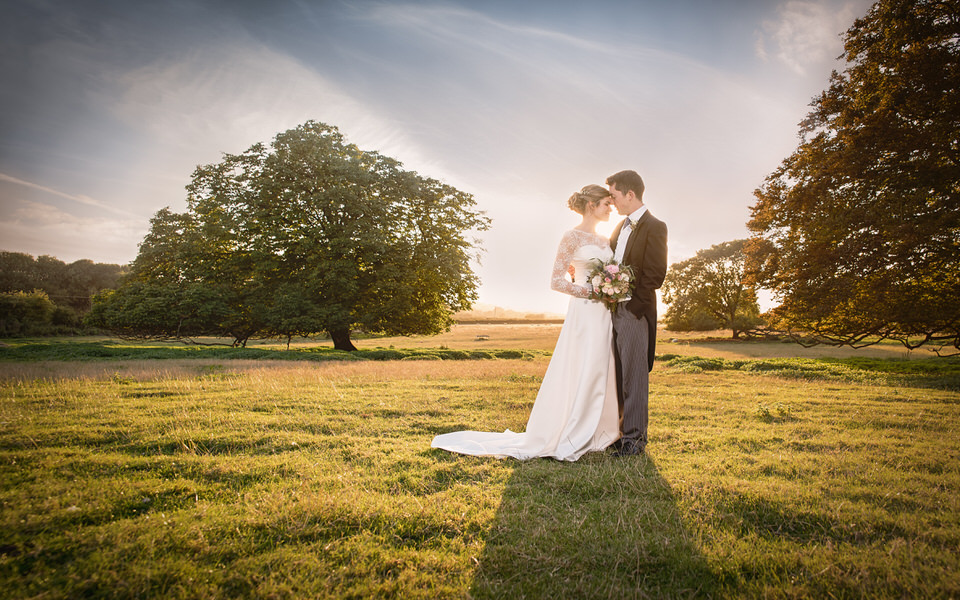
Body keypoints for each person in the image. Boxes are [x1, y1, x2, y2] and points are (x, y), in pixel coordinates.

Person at [431, 184, 620, 460]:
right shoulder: (571, 237)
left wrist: (611, 288)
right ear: (591, 205)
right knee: (585, 364)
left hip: (605, 313)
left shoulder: (605, 241)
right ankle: (574, 429)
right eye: (606, 203)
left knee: (602, 365)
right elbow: (556, 281)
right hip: (585, 311)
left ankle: (598, 430)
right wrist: (591, 290)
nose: (610, 208)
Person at [606, 170, 668, 456]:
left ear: (630, 194)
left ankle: (634, 441)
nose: (613, 202)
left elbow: (655, 274)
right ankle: (621, 433)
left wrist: (633, 308)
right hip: (611, 310)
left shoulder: (655, 226)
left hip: (633, 312)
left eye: (615, 196)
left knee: (634, 377)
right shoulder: (620, 227)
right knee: (617, 376)